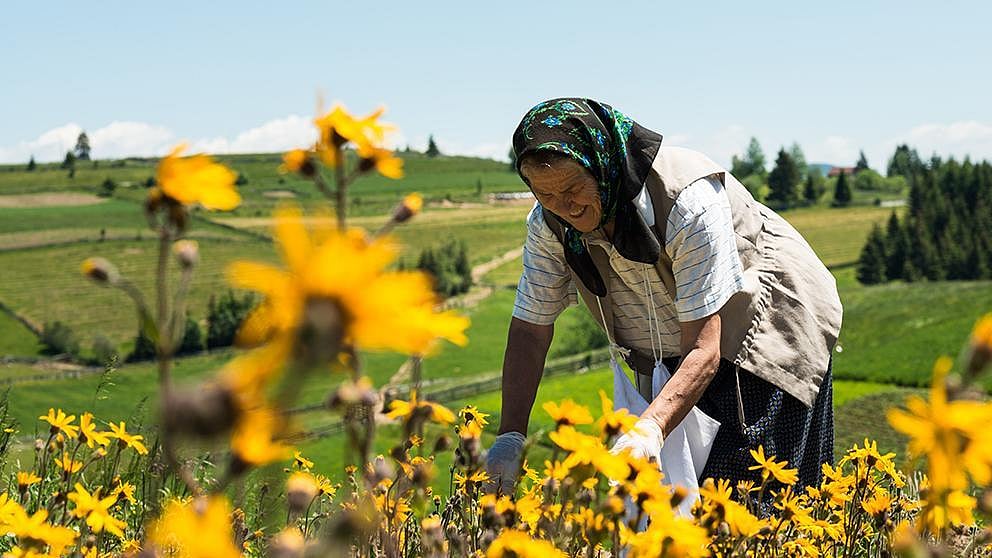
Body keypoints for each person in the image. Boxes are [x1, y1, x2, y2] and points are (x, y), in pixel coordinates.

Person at [485, 98, 842, 499]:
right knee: (668, 505)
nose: (563, 207)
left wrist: (650, 429)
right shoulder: (548, 224)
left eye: (572, 188)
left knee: (749, 496)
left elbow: (705, 348)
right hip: (672, 344)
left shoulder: (687, 200)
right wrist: (510, 436)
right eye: (544, 194)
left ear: (602, 166)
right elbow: (531, 330)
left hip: (760, 330)